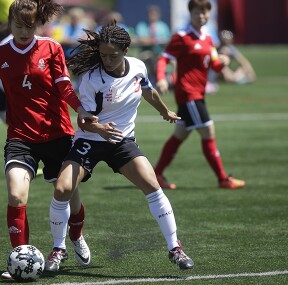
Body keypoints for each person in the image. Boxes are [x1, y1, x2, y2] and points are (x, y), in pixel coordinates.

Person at [0, 0, 98, 279]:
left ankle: (76, 234)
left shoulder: (51, 48)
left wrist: (80, 108)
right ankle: (21, 258)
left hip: (57, 134)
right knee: (16, 194)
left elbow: (64, 85)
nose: (23, 31)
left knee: (71, 198)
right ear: (9, 22)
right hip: (20, 137)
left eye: (29, 26)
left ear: (37, 24)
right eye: (18, 25)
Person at [45, 21, 194, 272]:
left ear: (126, 51)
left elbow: (148, 91)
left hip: (121, 141)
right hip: (90, 140)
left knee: (152, 184)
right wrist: (99, 128)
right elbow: (84, 120)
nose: (107, 60)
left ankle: (175, 249)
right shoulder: (92, 79)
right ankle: (58, 249)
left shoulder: (137, 66)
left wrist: (164, 110)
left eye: (113, 55)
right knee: (62, 188)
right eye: (103, 55)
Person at [154, 0, 246, 190]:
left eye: (204, 13)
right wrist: (162, 78)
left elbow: (214, 65)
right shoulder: (182, 36)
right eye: (197, 12)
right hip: (189, 94)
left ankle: (157, 174)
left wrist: (224, 61)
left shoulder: (207, 38)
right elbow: (164, 58)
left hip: (198, 94)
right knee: (208, 131)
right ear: (191, 14)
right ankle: (222, 179)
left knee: (179, 135)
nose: (201, 16)